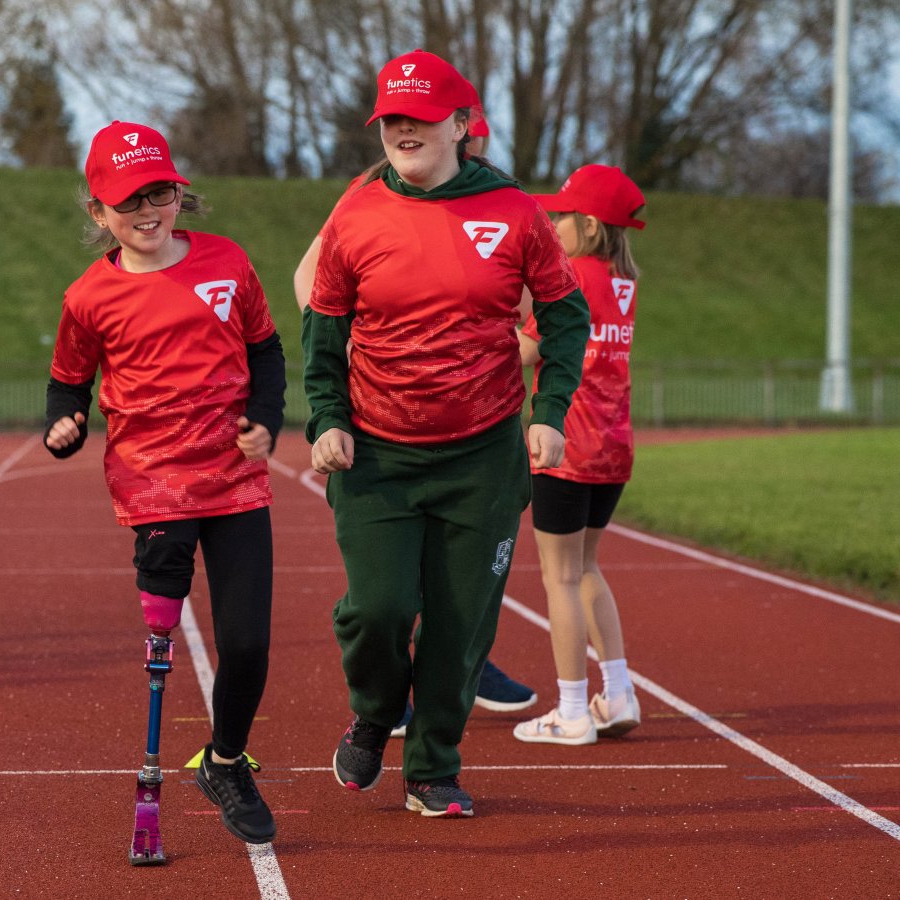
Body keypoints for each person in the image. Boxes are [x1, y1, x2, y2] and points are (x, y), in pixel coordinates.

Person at [302, 50, 590, 817]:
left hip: (483, 457)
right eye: (391, 117)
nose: (403, 129)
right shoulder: (356, 211)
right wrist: (326, 418)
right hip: (377, 455)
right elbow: (323, 328)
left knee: (461, 627)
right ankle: (374, 710)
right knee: (380, 610)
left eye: (420, 117)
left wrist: (550, 411)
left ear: (461, 123)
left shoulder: (516, 211)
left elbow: (566, 314)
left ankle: (432, 768)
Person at [44, 121, 287, 845]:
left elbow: (266, 352)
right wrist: (65, 426)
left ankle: (224, 760)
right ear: (98, 213)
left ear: (180, 192)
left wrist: (264, 419)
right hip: (153, 485)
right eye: (128, 202)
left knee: (247, 645)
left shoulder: (227, 262)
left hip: (236, 478)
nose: (147, 212)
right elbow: (67, 384)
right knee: (166, 627)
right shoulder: (89, 296)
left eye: (160, 194)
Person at [292, 100, 537, 738]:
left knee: (460, 584)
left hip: (477, 431)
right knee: (383, 595)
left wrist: (496, 341)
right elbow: (310, 278)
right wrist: (353, 343)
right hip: (384, 425)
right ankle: (386, 698)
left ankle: (450, 686)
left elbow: (537, 296)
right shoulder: (367, 196)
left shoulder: (501, 202)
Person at [512, 165, 646, 745]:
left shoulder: (573, 278)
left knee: (559, 578)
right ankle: (617, 695)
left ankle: (570, 710)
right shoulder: (622, 279)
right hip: (614, 447)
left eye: (561, 215)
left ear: (589, 225)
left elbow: (526, 350)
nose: (552, 222)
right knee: (587, 568)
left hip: (567, 443)